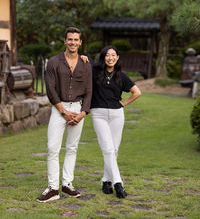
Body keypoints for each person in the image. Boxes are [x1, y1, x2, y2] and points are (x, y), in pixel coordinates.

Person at [37, 27, 92, 203]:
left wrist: (83, 113)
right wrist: (63, 111)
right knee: (53, 148)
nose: (73, 42)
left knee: (72, 148)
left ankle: (67, 184)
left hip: (77, 109)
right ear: (65, 41)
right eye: (70, 39)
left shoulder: (86, 63)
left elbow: (90, 91)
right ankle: (53, 188)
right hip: (59, 109)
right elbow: (50, 89)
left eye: (76, 40)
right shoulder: (53, 62)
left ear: (80, 42)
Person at [90, 46, 141, 199]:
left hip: (117, 115)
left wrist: (124, 103)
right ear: (103, 57)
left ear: (117, 58)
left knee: (114, 149)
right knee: (108, 149)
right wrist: (84, 58)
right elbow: (82, 64)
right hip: (98, 114)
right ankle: (118, 183)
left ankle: (106, 181)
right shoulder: (95, 72)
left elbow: (137, 92)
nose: (110, 58)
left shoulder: (121, 75)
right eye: (107, 55)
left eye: (113, 55)